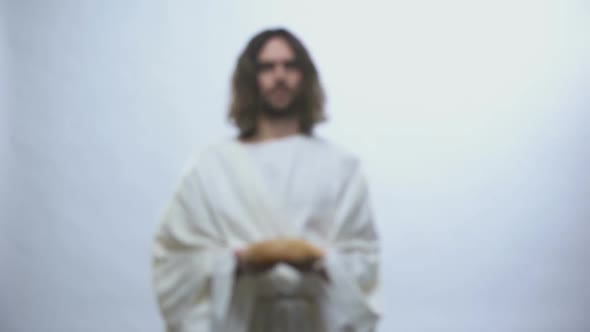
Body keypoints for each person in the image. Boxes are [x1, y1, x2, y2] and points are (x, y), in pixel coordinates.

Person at [152, 28, 380, 332]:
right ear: (250, 78)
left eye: (290, 66)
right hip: (245, 320)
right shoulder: (211, 168)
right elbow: (174, 258)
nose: (280, 76)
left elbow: (364, 255)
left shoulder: (340, 167)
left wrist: (323, 261)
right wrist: (235, 262)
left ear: (305, 76)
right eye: (268, 67)